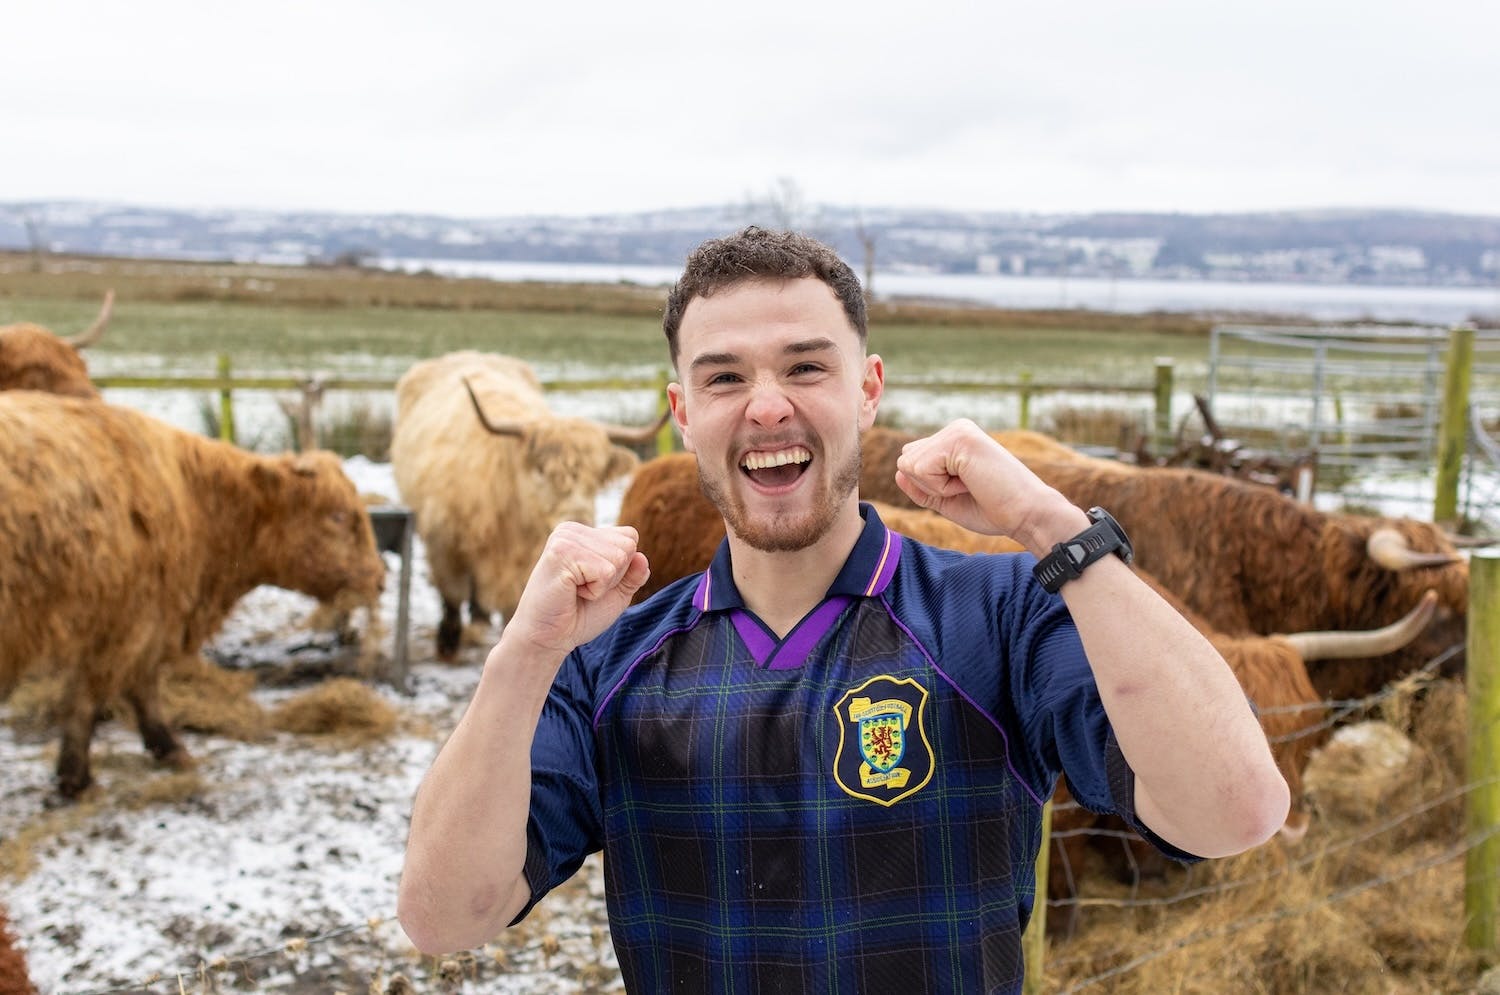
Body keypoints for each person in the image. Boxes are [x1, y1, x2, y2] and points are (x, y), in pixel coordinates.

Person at [397, 226, 1289, 993]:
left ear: (868, 389)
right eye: (723, 378)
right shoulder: (606, 661)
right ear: (681, 413)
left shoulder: (1001, 616)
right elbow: (444, 915)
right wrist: (522, 655)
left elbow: (1234, 810)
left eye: (806, 366)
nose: (769, 404)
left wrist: (1055, 528)